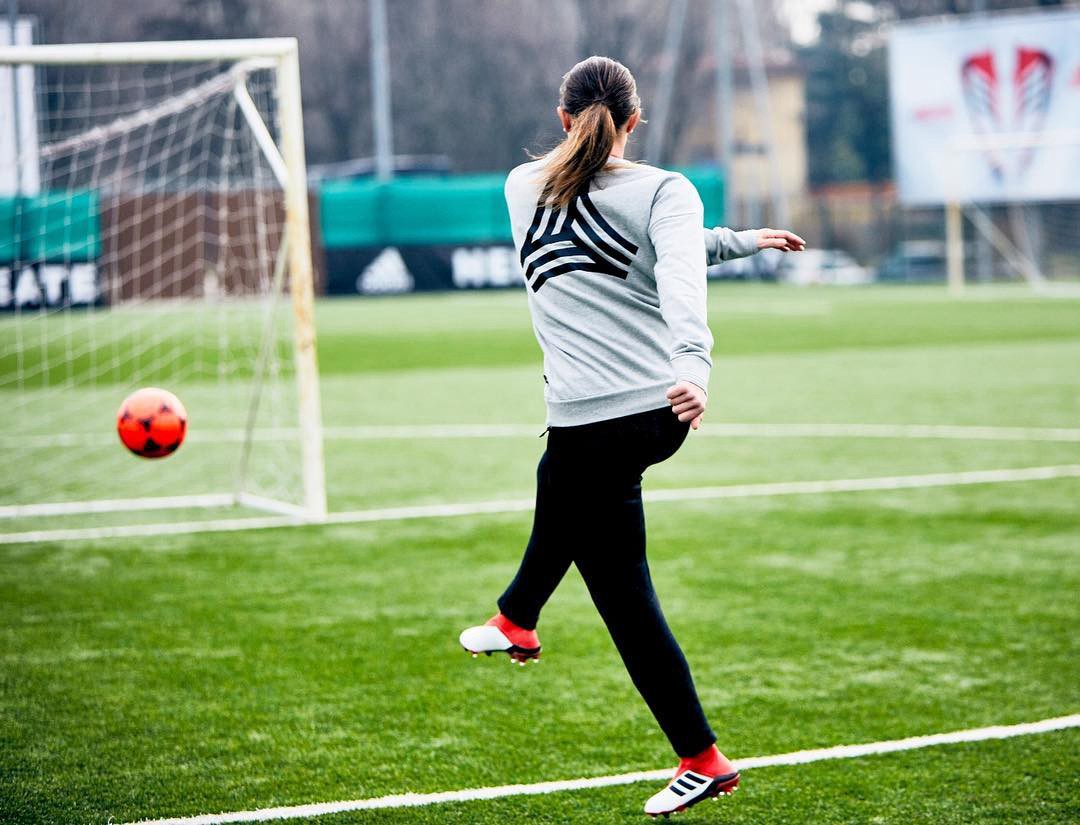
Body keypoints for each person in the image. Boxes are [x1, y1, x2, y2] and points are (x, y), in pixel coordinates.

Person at [458, 55, 805, 817]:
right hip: (615, 412)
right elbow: (667, 250)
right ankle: (701, 757)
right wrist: (740, 241)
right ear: (635, 120)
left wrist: (694, 364)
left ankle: (517, 617)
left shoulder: (521, 186)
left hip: (634, 411)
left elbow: (675, 268)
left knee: (566, 488)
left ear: (562, 117)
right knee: (620, 590)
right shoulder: (659, 190)